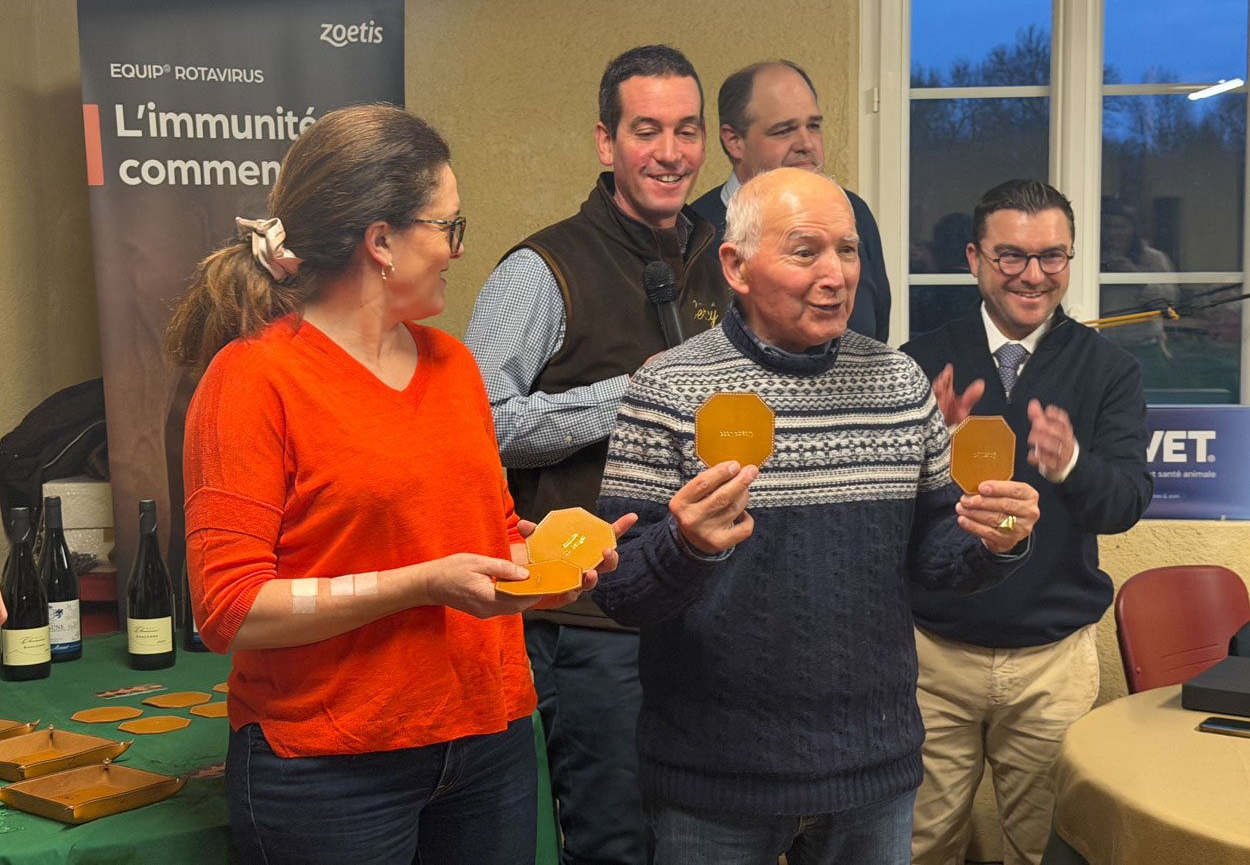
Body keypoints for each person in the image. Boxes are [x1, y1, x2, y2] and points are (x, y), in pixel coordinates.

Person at [166, 104, 627, 865]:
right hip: (331, 769)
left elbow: (483, 536)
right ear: (380, 241)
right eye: (448, 226)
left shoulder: (453, 367)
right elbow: (230, 609)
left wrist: (549, 560)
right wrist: (421, 585)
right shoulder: (252, 379)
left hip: (488, 744)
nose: (459, 248)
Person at [593, 167, 1041, 865]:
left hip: (872, 771)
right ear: (736, 267)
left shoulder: (898, 383)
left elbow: (933, 562)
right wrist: (686, 546)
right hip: (713, 779)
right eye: (805, 252)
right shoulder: (668, 388)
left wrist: (996, 539)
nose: (836, 275)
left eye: (848, 250)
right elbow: (619, 590)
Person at [464, 44, 727, 865]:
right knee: (614, 841)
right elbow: (479, 422)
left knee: (697, 836)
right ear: (606, 143)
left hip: (704, 606)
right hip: (593, 618)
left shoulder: (719, 259)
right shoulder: (541, 269)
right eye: (647, 130)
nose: (671, 153)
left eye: (687, 130)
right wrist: (634, 393)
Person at [901, 180, 1153, 865]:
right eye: (1011, 255)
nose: (1033, 275)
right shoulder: (918, 362)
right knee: (921, 845)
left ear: (1070, 258)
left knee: (1045, 847)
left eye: (1052, 256)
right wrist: (925, 451)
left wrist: (1070, 463)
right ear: (974, 258)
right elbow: (886, 517)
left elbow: (1126, 502)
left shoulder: (1110, 369)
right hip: (932, 655)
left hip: (1052, 661)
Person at [690, 60, 891, 341]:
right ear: (734, 141)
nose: (806, 144)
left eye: (814, 126)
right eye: (784, 131)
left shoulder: (853, 213)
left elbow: (876, 334)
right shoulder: (692, 233)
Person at [1099, 195, 1180, 387]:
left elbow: (1170, 302)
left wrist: (1134, 275)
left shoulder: (1154, 259)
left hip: (1144, 349)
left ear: (1134, 230)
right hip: (1101, 347)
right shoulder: (1090, 257)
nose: (1113, 233)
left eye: (1120, 227)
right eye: (1108, 227)